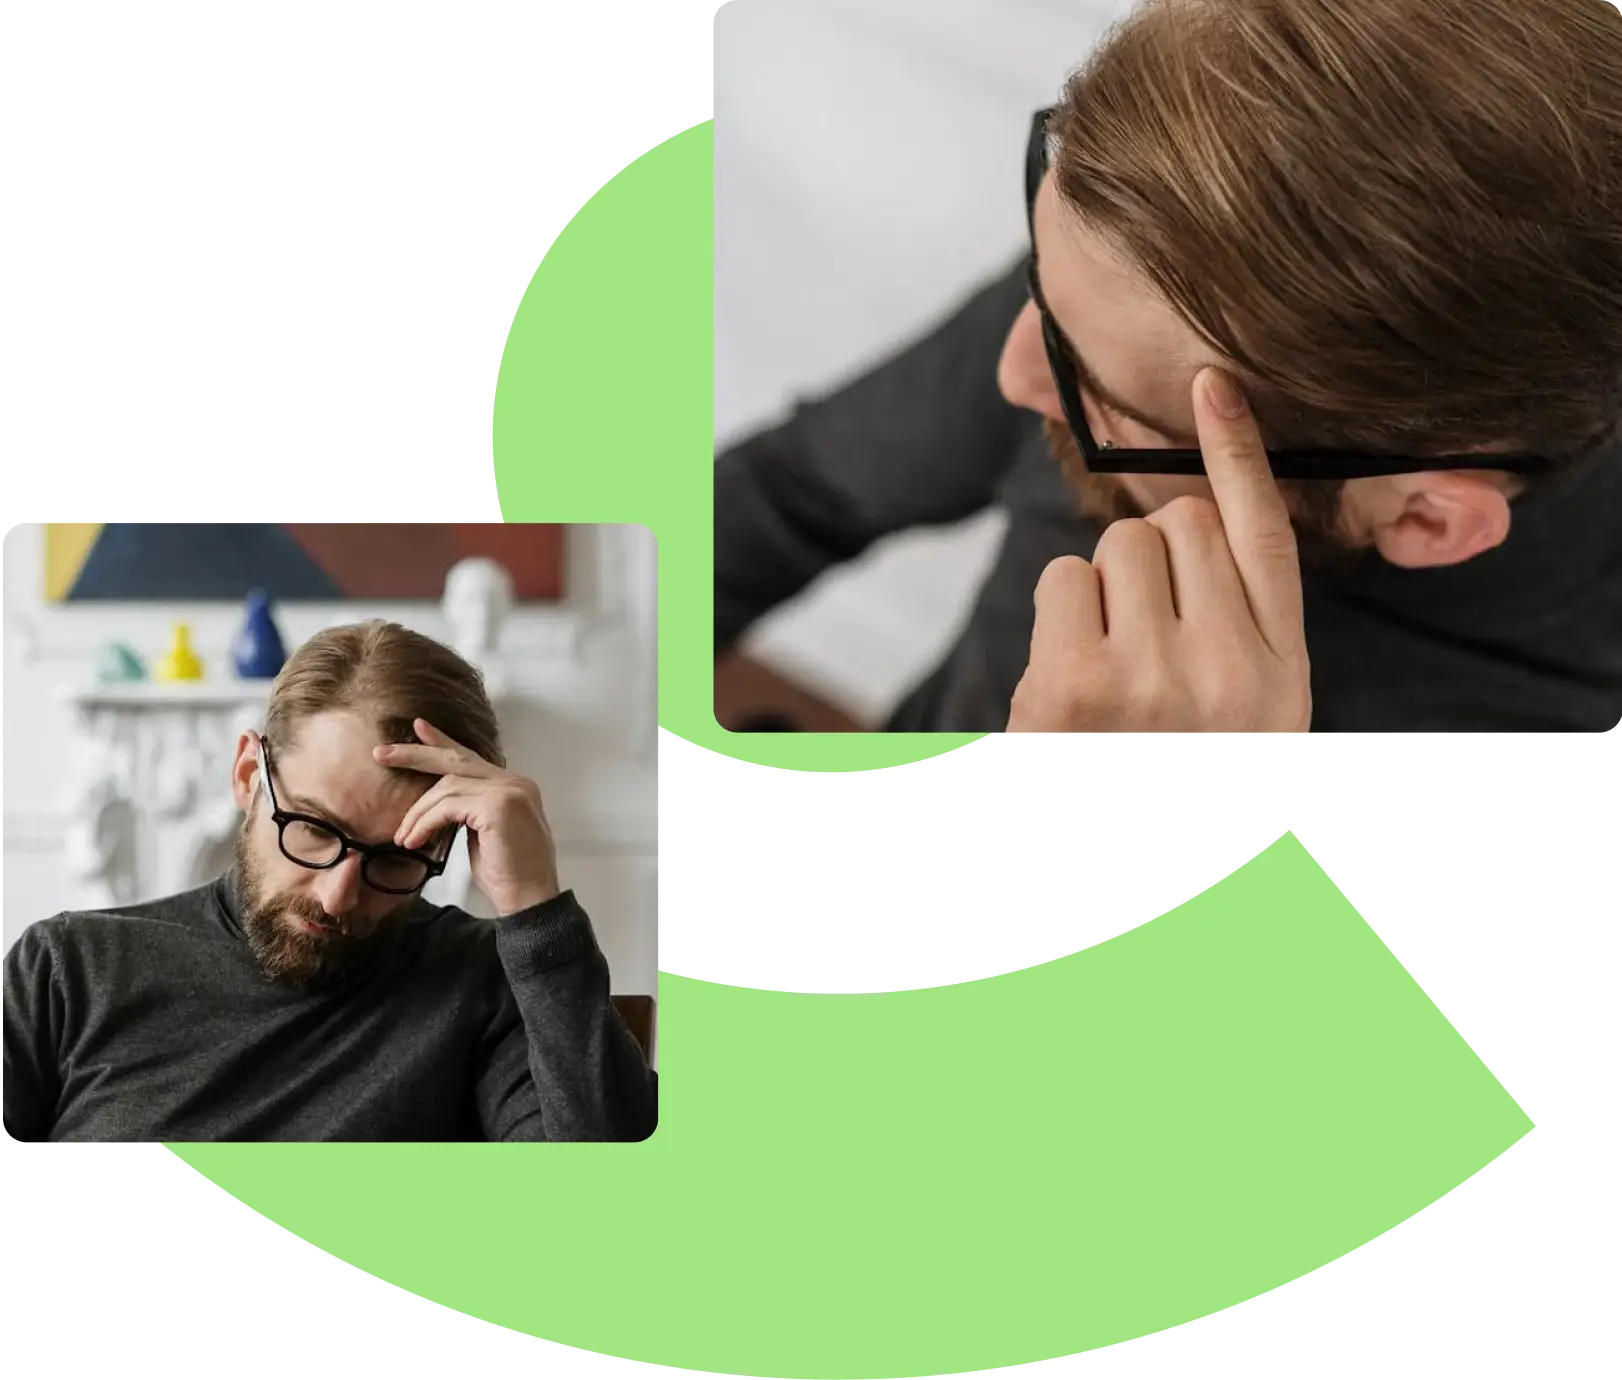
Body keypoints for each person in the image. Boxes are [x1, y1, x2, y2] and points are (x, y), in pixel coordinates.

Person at [714, 0, 1622, 735]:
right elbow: (800, 490)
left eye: (1092, 394)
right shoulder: (1128, 297)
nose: (1015, 376)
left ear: (1426, 518)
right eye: (1040, 282)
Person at [0, 621, 657, 1142]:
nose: (339, 895)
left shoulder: (493, 987)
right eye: (313, 829)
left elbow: (607, 1220)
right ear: (247, 776)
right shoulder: (69, 968)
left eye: (396, 858)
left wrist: (535, 908)